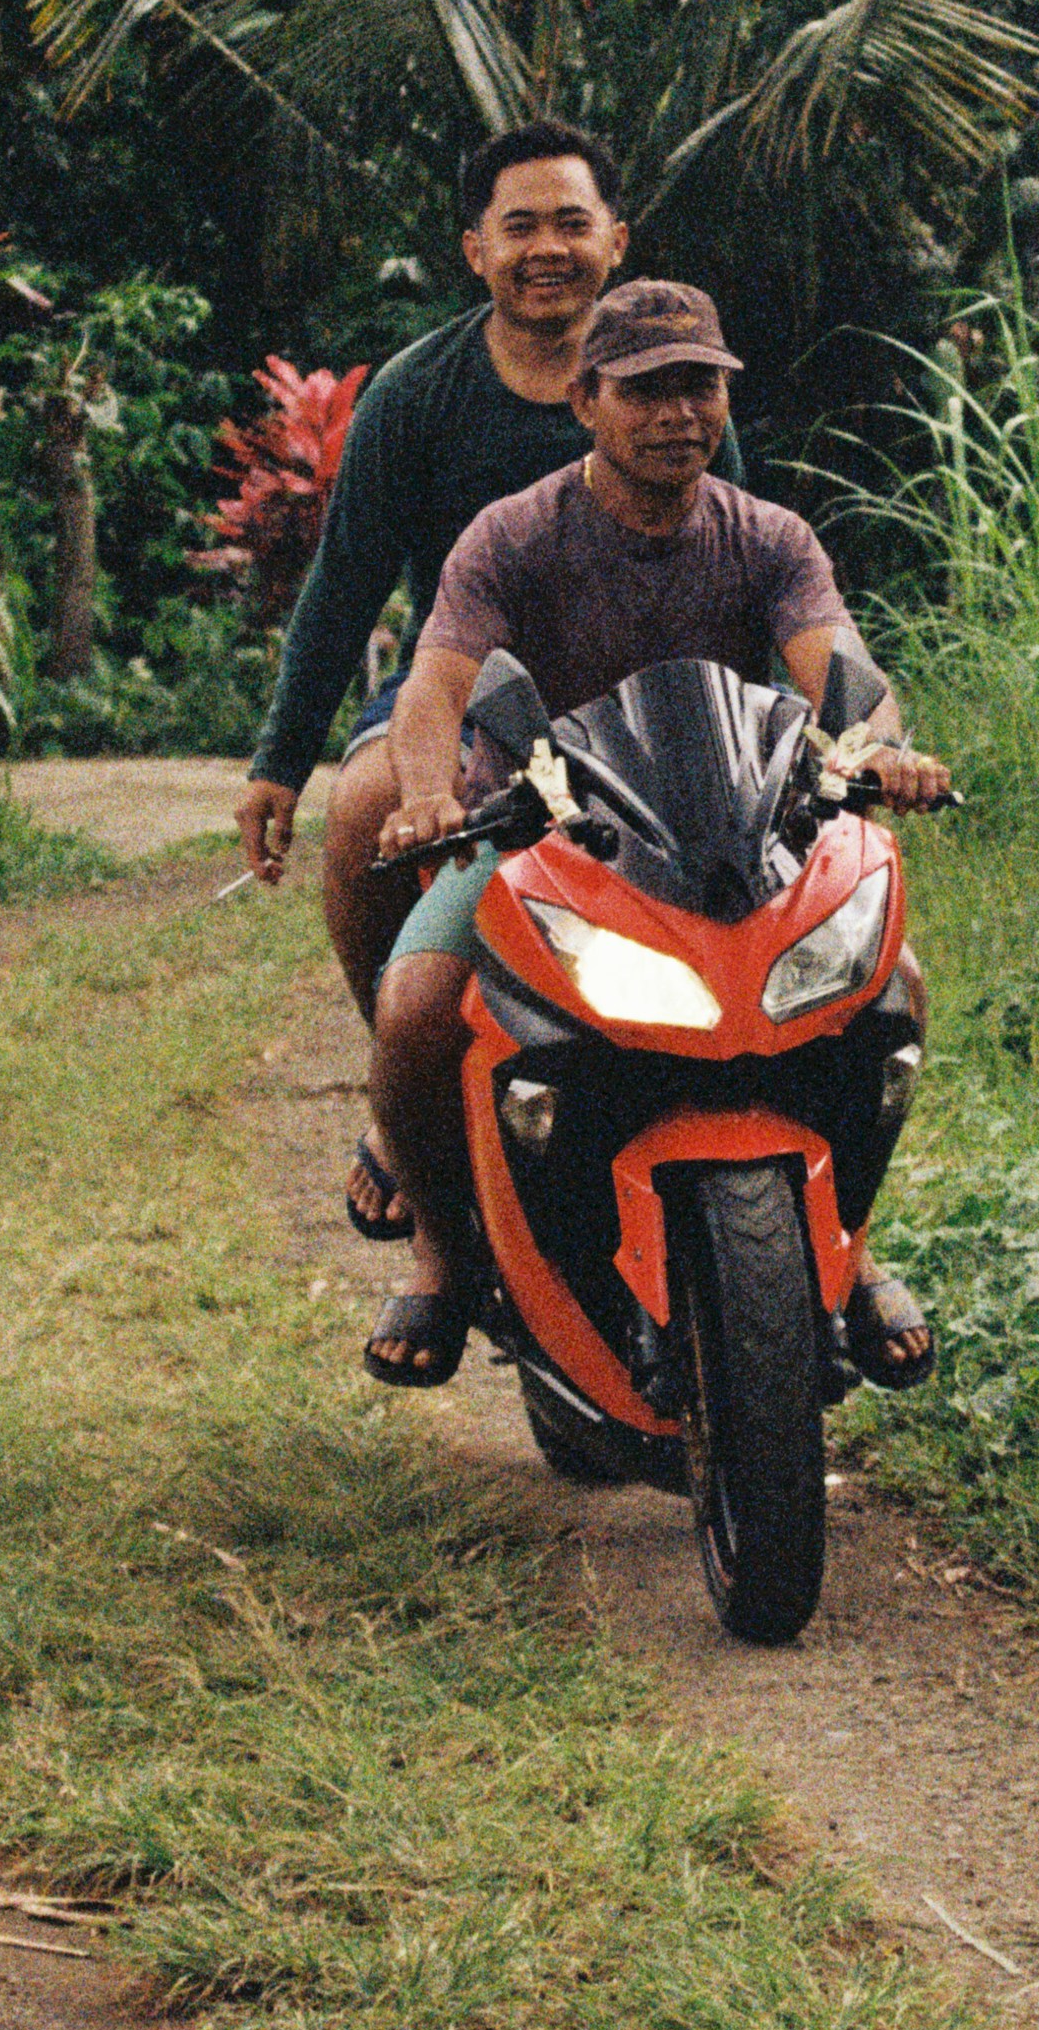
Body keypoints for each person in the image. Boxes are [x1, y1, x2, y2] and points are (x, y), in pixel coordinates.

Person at [353, 277, 953, 1390]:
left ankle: (850, 1252)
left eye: (700, 388)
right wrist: (430, 791)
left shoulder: (770, 538)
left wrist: (875, 752)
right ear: (585, 400)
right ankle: (439, 1255)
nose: (679, 413)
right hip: (536, 838)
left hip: (735, 842)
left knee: (891, 990)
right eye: (647, 391)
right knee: (416, 1007)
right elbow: (437, 686)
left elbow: (841, 673)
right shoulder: (511, 537)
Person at [228, 121, 729, 1245]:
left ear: (617, 239)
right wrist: (278, 762)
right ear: (473, 250)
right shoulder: (418, 395)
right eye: (520, 227)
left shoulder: (678, 390)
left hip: (643, 699)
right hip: (454, 689)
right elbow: (343, 585)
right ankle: (409, 1096)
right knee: (368, 812)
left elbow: (745, 567)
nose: (547, 248)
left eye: (571, 222)